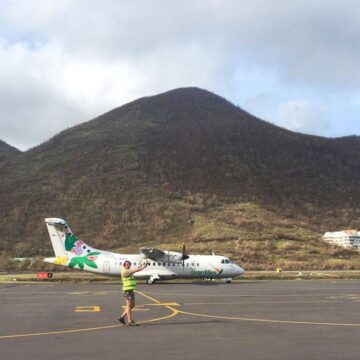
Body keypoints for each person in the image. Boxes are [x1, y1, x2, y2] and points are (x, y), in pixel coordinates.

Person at [119, 260, 147, 326]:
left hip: (131, 290)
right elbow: (134, 270)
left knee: (132, 305)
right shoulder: (124, 271)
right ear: (124, 265)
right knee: (129, 306)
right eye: (127, 264)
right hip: (127, 291)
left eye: (129, 264)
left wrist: (140, 266)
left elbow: (134, 270)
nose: (128, 265)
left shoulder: (129, 271)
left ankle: (122, 317)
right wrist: (143, 267)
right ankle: (130, 321)